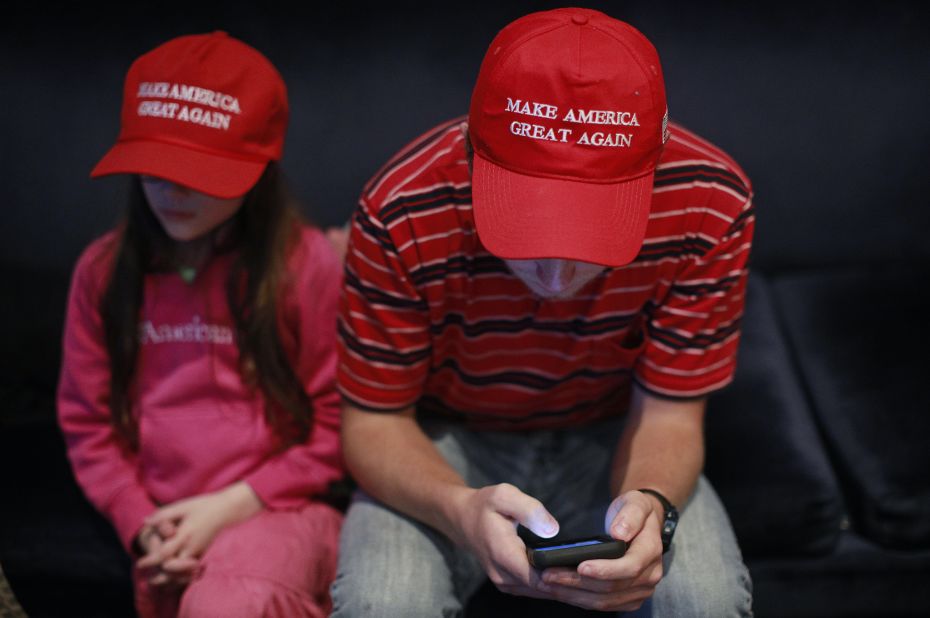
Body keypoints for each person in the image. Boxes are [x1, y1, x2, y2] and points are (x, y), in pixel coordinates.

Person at [332, 8, 754, 616]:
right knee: (384, 601)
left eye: (593, 239)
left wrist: (652, 507)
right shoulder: (402, 204)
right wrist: (459, 509)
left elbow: (670, 417)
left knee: (706, 599)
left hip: (614, 437)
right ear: (474, 156)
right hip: (449, 443)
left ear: (650, 174)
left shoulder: (710, 201)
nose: (556, 279)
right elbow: (372, 422)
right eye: (525, 230)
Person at [57, 32, 343, 618]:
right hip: (162, 523)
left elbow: (341, 423)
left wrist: (236, 503)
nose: (172, 189)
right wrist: (140, 523)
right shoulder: (104, 270)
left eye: (198, 170)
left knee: (229, 602)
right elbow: (88, 424)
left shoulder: (305, 264)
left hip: (279, 512)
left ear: (258, 166)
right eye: (153, 168)